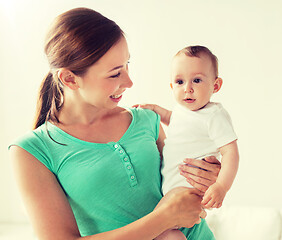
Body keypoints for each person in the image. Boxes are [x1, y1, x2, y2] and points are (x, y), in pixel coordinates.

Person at [8, 8, 221, 240]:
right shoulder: (32, 152)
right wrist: (164, 219)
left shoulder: (146, 119)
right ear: (69, 78)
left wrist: (207, 177)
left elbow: (182, 191)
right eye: (114, 74)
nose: (129, 81)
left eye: (127, 64)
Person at [135, 46, 239, 239]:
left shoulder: (214, 115)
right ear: (172, 87)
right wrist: (155, 109)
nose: (187, 88)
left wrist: (221, 186)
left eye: (197, 80)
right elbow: (172, 119)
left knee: (157, 228)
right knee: (164, 230)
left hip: (189, 190)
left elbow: (231, 152)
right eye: (180, 81)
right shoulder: (182, 112)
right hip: (172, 190)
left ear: (215, 86)